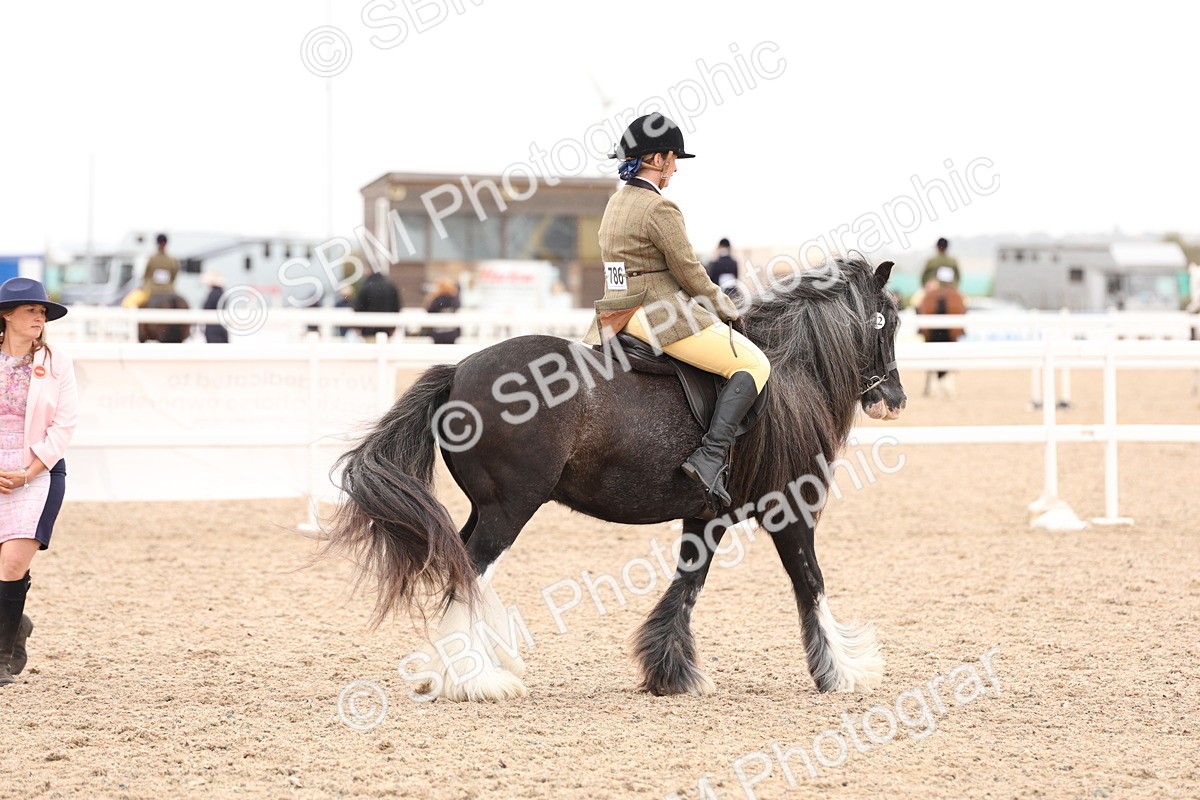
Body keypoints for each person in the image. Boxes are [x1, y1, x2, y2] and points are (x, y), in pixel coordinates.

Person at [583, 113, 770, 510]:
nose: (675, 168)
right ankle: (710, 456)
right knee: (754, 365)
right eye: (673, 158)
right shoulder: (659, 208)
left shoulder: (615, 203)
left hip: (615, 316)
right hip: (657, 316)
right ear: (656, 159)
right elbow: (690, 273)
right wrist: (725, 308)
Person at [0, 278, 77, 685]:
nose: (39, 317)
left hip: (38, 470)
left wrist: (29, 471)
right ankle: (16, 627)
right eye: (30, 310)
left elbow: (65, 424)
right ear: (7, 315)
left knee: (12, 562)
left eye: (42, 311)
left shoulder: (56, 361)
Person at [918, 266, 967, 398]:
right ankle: (948, 384)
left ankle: (931, 386)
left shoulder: (929, 295)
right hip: (951, 334)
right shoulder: (957, 295)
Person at [353, 268, 402, 340]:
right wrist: (393, 327)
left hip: (368, 330)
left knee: (370, 349)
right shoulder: (390, 286)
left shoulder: (365, 287)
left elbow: (358, 309)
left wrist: (358, 327)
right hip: (387, 329)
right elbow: (396, 307)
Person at [141, 233, 181, 298]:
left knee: (129, 302)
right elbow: (174, 277)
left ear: (157, 243)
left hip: (151, 289)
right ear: (166, 243)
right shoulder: (173, 260)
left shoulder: (151, 259)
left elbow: (146, 275)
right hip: (169, 289)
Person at [423, 278, 461, 344]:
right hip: (451, 332)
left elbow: (429, 311)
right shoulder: (454, 300)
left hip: (437, 332)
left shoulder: (436, 300)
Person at [201, 272, 228, 343]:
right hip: (221, 327)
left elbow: (206, 308)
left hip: (213, 328)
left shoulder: (213, 294)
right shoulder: (222, 293)